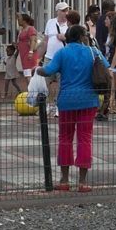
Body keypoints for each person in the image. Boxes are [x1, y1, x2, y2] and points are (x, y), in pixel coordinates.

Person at [36, 25, 107, 192]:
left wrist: (37, 70)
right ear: (83, 36)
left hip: (66, 101)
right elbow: (106, 65)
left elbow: (49, 71)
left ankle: (64, 180)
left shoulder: (62, 52)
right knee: (85, 138)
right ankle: (82, 182)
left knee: (65, 138)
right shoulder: (92, 51)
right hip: (88, 100)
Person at [44, 2, 70, 116]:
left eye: (67, 10)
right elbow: (45, 40)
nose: (66, 13)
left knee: (61, 83)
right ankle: (49, 104)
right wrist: (39, 56)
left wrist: (64, 37)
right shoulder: (50, 22)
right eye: (63, 10)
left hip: (63, 59)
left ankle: (59, 105)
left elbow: (73, 40)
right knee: (46, 82)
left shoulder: (69, 25)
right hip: (49, 57)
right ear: (58, 11)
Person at [17, 13, 38, 91]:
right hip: (23, 54)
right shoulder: (22, 30)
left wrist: (31, 51)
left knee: (28, 73)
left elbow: (33, 40)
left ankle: (32, 91)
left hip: (28, 54)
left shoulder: (31, 29)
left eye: (19, 19)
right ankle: (31, 90)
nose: (18, 21)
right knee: (26, 73)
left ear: (24, 20)